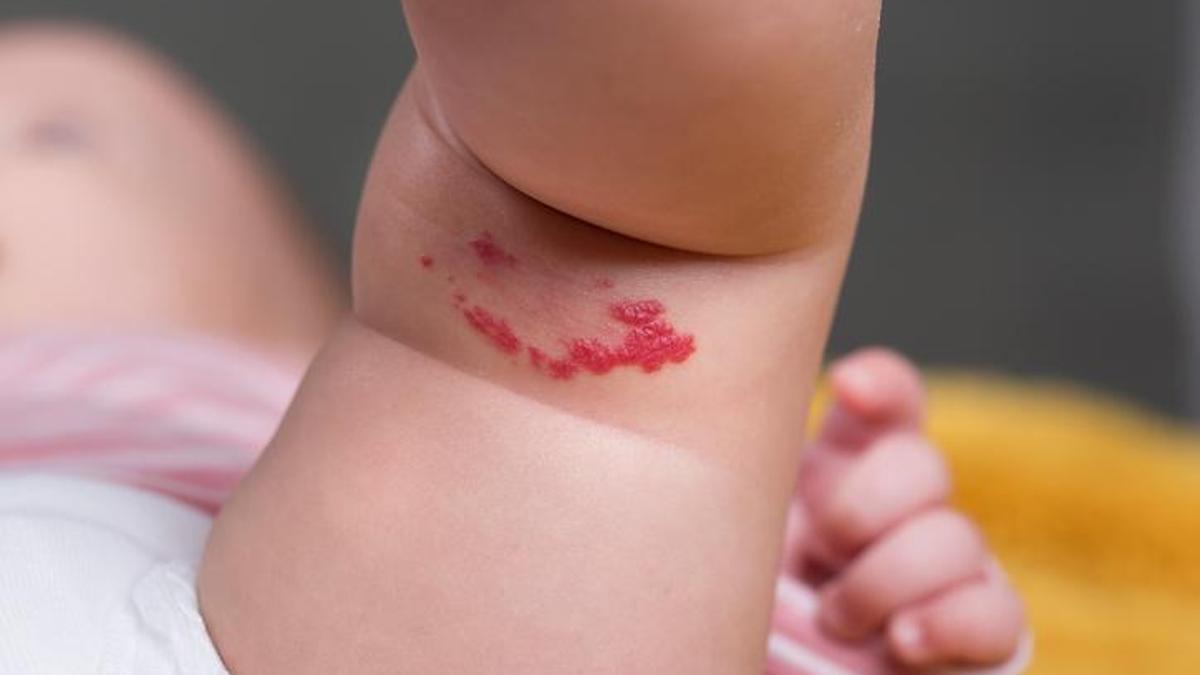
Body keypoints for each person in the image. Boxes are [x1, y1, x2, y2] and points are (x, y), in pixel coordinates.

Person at [0, 4, 1027, 673]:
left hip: (294, 596)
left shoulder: (271, 429)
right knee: (570, 405)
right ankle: (617, 241)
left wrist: (859, 583)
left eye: (56, 136)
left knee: (533, 445)